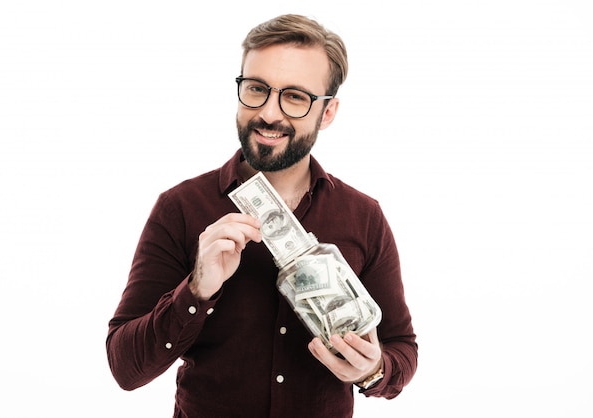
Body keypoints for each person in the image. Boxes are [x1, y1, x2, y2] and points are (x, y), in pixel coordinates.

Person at [106, 14, 418, 417]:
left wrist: (374, 369)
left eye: (295, 96)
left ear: (327, 112)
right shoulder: (181, 208)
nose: (269, 113)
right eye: (256, 89)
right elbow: (125, 368)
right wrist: (196, 290)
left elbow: (401, 348)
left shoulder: (363, 216)